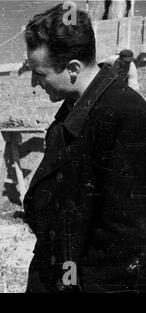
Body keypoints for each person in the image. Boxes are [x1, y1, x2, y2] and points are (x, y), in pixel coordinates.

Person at [23, 4, 146, 292]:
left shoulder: (126, 115)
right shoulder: (72, 110)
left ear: (73, 69)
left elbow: (123, 243)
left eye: (39, 73)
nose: (33, 83)